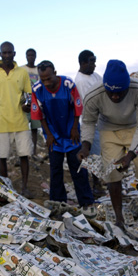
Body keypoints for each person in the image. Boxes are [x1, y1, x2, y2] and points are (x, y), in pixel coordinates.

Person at [78, 60, 138, 228]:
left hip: (135, 128)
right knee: (112, 172)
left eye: (120, 92)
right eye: (110, 92)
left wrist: (130, 155)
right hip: (109, 130)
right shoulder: (94, 94)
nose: (115, 96)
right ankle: (119, 219)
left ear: (128, 85)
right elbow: (89, 122)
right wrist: (86, 145)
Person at [31, 60, 95, 207]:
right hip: (53, 134)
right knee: (55, 169)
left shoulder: (68, 84)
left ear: (55, 73)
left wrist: (74, 128)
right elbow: (39, 115)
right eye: (43, 79)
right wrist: (49, 134)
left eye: (49, 78)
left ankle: (86, 201)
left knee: (77, 167)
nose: (46, 82)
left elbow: (77, 107)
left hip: (71, 132)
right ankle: (58, 202)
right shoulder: (37, 89)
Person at [0, 41, 34, 197]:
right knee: (2, 156)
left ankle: (25, 187)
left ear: (14, 54)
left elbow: (29, 95)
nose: (6, 55)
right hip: (2, 122)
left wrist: (28, 105)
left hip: (21, 121)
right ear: (0, 54)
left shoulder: (22, 73)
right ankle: (6, 189)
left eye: (9, 53)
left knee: (24, 155)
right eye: (4, 53)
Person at [74, 50, 104, 195]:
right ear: (83, 63)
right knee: (94, 155)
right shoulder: (81, 81)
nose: (94, 64)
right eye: (92, 61)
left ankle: (98, 183)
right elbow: (91, 104)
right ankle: (96, 185)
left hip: (101, 121)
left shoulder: (95, 76)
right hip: (90, 122)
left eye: (94, 60)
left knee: (100, 154)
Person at [21, 48, 42, 158]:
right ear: (26, 56)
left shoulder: (39, 69)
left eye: (32, 55)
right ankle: (24, 150)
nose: (31, 57)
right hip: (25, 103)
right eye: (29, 55)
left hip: (36, 102)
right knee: (24, 128)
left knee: (34, 128)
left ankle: (34, 151)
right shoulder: (21, 69)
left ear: (35, 56)